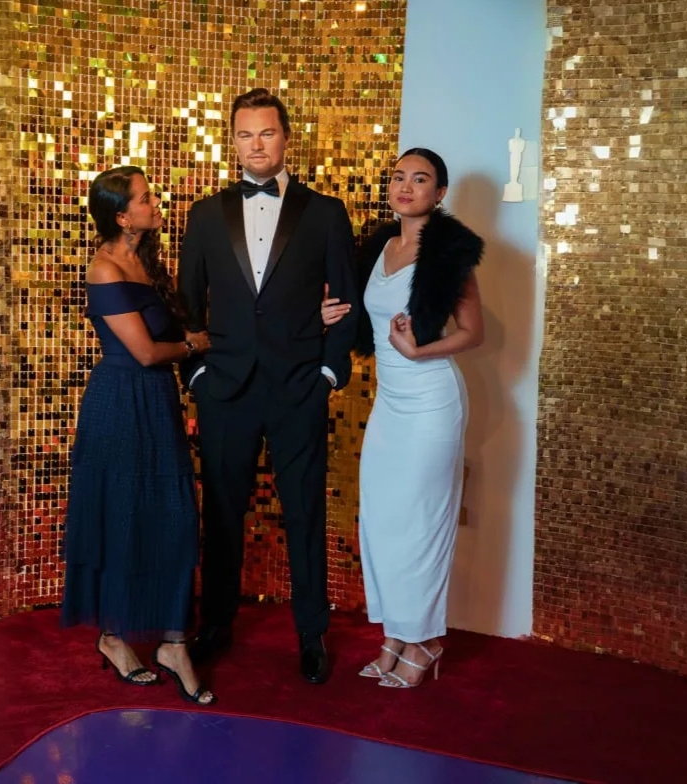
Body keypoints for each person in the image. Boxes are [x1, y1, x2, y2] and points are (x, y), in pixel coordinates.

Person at [178, 88, 359, 684]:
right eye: (245, 134)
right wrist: (196, 375)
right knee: (221, 513)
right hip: (225, 389)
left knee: (305, 511)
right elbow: (187, 306)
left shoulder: (326, 212)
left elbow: (346, 302)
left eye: (267, 133)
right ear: (233, 142)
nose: (256, 145)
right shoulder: (205, 214)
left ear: (286, 137)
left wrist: (328, 374)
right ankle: (216, 624)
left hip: (298, 387)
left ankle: (311, 632)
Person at [322, 148, 484, 688]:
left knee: (422, 523)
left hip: (432, 400)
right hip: (389, 403)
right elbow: (357, 314)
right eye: (398, 177)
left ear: (440, 193)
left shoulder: (448, 254)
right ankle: (396, 632)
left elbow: (474, 332)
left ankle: (426, 640)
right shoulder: (376, 247)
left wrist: (419, 351)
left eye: (420, 179)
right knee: (383, 519)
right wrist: (325, 313)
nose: (406, 187)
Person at [61, 165, 216, 706]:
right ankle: (114, 637)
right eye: (145, 198)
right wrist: (195, 346)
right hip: (120, 404)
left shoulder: (148, 263)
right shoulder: (104, 269)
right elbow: (147, 352)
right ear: (123, 217)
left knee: (174, 518)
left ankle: (173, 643)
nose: (155, 203)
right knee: (122, 515)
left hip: (157, 402)